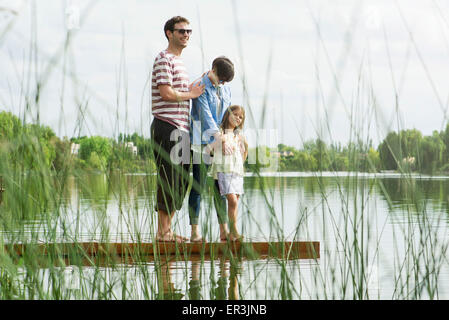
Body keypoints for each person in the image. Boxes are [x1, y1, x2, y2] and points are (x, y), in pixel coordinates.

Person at [151, 16, 205, 243]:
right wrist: (191, 94)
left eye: (189, 31)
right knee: (168, 177)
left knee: (181, 179)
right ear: (169, 33)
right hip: (167, 125)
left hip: (182, 129)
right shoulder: (164, 58)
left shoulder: (179, 62)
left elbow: (180, 90)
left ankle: (167, 231)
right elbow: (165, 92)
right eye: (181, 31)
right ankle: (163, 234)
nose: (186, 35)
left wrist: (197, 86)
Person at [188, 56, 235, 242]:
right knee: (198, 185)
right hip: (202, 142)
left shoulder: (225, 89)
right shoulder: (200, 85)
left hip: (221, 142)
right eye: (221, 79)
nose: (222, 83)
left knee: (220, 187)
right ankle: (195, 232)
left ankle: (224, 232)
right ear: (213, 70)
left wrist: (228, 137)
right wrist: (219, 138)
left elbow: (226, 115)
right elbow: (205, 115)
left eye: (226, 81)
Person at [208, 105, 248, 241]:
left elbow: (244, 154)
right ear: (227, 115)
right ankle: (234, 230)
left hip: (236, 171)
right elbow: (208, 150)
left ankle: (231, 232)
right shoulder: (220, 132)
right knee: (232, 201)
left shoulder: (239, 136)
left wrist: (244, 150)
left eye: (241, 117)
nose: (238, 118)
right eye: (235, 114)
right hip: (224, 171)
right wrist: (220, 141)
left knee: (235, 201)